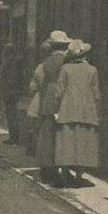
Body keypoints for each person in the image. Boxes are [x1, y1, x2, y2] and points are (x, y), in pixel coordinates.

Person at [53, 39, 100, 187]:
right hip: (87, 113)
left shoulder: (65, 69)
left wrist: (56, 109)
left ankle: (65, 172)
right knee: (84, 144)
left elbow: (58, 92)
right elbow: (96, 94)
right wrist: (97, 111)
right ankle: (79, 175)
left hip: (68, 111)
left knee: (67, 143)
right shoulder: (92, 70)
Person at [35, 31, 71, 185]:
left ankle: (47, 169)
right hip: (62, 99)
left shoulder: (47, 62)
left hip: (48, 100)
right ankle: (56, 170)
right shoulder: (65, 61)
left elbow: (39, 80)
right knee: (60, 136)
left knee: (47, 135)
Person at [0, 40, 25, 145]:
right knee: (11, 115)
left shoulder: (10, 63)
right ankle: (13, 136)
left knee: (11, 116)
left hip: (10, 92)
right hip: (9, 92)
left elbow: (11, 78)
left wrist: (8, 88)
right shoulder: (11, 62)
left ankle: (14, 137)